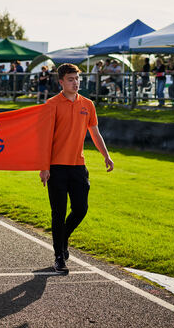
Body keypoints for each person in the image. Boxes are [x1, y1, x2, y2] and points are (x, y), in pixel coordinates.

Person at [40, 63, 114, 274]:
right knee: (58, 212)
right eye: (71, 79)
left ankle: (63, 239)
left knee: (81, 209)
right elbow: (44, 139)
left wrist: (106, 155)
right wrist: (44, 167)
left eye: (77, 79)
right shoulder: (52, 104)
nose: (75, 83)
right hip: (56, 168)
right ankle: (58, 257)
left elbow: (95, 132)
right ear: (61, 82)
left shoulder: (88, 104)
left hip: (78, 166)